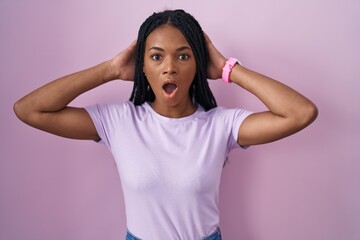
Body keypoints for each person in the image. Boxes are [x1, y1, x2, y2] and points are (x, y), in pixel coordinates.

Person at [13, 9, 318, 240]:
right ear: (142, 66)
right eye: (156, 57)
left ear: (198, 63)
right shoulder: (119, 121)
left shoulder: (221, 124)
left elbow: (301, 113)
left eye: (184, 56)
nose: (169, 67)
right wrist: (110, 69)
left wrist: (228, 69)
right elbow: (29, 109)